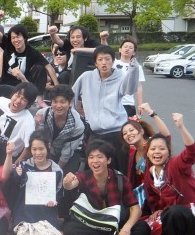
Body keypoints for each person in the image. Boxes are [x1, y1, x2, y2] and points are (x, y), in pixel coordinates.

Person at [62, 140, 150, 235]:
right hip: (91, 224)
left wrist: (126, 229)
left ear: (108, 160)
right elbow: (71, 185)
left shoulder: (120, 179)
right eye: (91, 157)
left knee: (143, 228)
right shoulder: (83, 176)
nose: (95, 161)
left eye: (99, 157)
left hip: (114, 225)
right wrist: (67, 182)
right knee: (69, 228)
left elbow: (136, 210)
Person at [72, 45, 141, 174]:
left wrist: (134, 68)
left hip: (116, 132)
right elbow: (71, 96)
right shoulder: (86, 77)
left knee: (118, 170)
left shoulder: (120, 77)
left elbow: (130, 90)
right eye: (100, 59)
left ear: (113, 61)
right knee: (94, 169)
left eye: (107, 59)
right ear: (95, 63)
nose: (104, 63)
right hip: (95, 132)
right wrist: (76, 115)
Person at [143, 113, 195, 235]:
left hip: (191, 214)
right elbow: (153, 199)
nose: (157, 152)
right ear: (148, 153)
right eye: (153, 149)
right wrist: (157, 210)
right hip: (177, 218)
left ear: (168, 152)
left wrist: (181, 127)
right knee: (149, 225)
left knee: (172, 212)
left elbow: (191, 152)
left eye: (161, 148)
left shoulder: (176, 165)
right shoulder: (150, 174)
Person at [0, 10, 58, 107]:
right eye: (13, 38)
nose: (15, 40)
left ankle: (39, 99)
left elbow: (49, 67)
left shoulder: (32, 51)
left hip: (24, 85)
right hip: (7, 85)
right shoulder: (8, 44)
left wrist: (57, 87)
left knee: (40, 68)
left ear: (24, 38)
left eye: (18, 37)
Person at [10, 132, 63, 229]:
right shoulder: (23, 165)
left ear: (48, 147)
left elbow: (59, 194)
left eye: (41, 149)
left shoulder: (57, 171)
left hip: (46, 211)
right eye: (34, 149)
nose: (38, 153)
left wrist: (54, 201)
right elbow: (14, 186)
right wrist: (17, 174)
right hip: (24, 210)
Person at [120, 103, 170, 203]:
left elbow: (166, 136)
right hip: (145, 196)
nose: (128, 134)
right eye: (125, 133)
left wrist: (151, 113)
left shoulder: (153, 146)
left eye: (131, 130)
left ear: (141, 131)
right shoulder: (132, 154)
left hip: (163, 193)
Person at [0, 81, 38, 161]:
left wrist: (15, 164)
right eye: (17, 95)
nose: (18, 101)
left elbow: (28, 148)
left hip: (4, 157)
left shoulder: (28, 122)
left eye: (23, 99)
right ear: (13, 94)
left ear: (28, 104)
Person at [34, 84, 86, 173]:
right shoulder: (42, 113)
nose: (58, 105)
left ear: (70, 103)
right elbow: (39, 139)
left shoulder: (78, 126)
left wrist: (55, 171)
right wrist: (37, 124)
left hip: (71, 152)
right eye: (55, 101)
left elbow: (67, 153)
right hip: (51, 148)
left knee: (64, 176)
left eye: (62, 102)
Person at [114, 37, 145, 118]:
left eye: (130, 48)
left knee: (129, 125)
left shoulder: (136, 67)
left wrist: (140, 104)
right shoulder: (113, 63)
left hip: (128, 103)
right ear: (120, 49)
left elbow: (138, 86)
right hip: (112, 102)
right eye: (125, 47)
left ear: (134, 52)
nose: (127, 49)